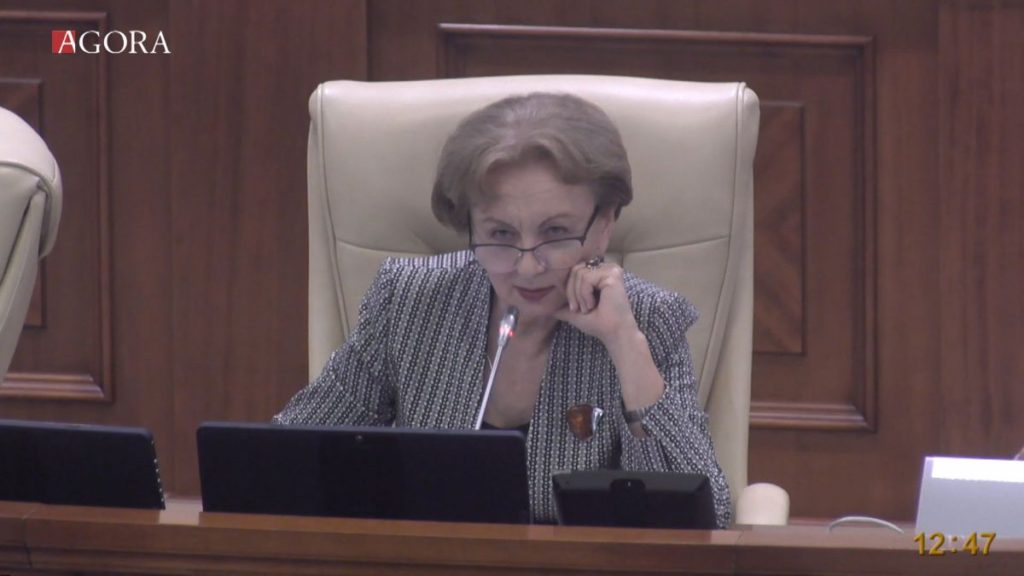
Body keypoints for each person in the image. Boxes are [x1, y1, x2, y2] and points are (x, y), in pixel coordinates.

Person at [274, 92, 732, 527]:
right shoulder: (410, 301)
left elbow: (703, 516)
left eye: (555, 232)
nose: (528, 267)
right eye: (500, 235)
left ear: (605, 223)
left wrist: (625, 345)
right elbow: (288, 458)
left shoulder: (648, 319)